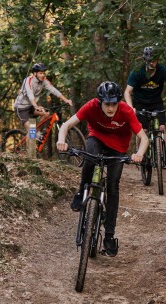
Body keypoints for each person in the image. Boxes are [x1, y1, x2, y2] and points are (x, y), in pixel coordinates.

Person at [56, 81, 149, 257]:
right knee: (90, 158)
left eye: (114, 103)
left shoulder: (126, 111)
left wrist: (139, 154)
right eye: (107, 104)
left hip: (119, 148)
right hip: (97, 139)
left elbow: (143, 138)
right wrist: (62, 140)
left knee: (113, 185)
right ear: (100, 102)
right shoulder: (91, 106)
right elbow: (66, 125)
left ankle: (109, 236)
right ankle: (80, 192)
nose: (111, 108)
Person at [124, 46, 166, 168]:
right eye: (150, 60)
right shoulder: (137, 71)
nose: (152, 63)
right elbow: (127, 92)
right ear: (145, 60)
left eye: (154, 60)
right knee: (142, 130)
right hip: (140, 103)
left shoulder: (163, 71)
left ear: (157, 60)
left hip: (156, 102)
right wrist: (131, 107)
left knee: (161, 128)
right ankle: (139, 151)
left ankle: (162, 157)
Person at [13, 63, 73, 139]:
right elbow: (30, 94)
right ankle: (30, 144)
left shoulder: (44, 80)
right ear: (35, 73)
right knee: (32, 133)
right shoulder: (28, 80)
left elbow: (53, 90)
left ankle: (37, 132)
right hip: (21, 108)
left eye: (44, 73)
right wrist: (36, 106)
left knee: (46, 114)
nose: (43, 75)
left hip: (31, 106)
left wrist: (66, 100)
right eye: (40, 73)